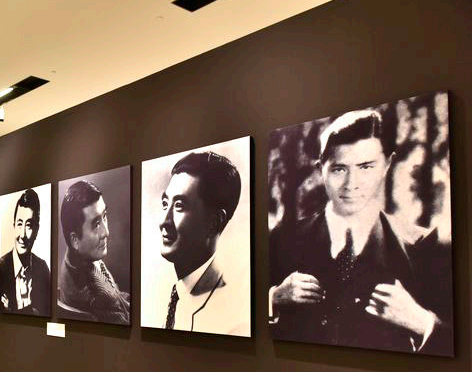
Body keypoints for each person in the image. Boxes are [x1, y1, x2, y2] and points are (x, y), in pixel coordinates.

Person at [268, 109, 452, 355]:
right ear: (321, 169)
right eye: (339, 169)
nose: (351, 184)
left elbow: (460, 346)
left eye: (366, 167)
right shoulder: (281, 240)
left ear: (386, 165)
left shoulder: (426, 246)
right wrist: (273, 298)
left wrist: (421, 321)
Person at [152, 151, 249, 336]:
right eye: (165, 203)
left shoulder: (234, 321)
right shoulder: (170, 296)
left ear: (214, 222)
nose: (164, 221)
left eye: (179, 205)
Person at [58, 180, 130, 324]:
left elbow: (117, 297)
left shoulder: (78, 258)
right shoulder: (96, 295)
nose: (106, 232)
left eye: (105, 216)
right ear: (75, 240)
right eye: (96, 224)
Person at [0, 189, 51, 315]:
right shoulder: (0, 268)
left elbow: (45, 313)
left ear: (36, 230)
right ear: (14, 226)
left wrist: (12, 310)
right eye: (20, 224)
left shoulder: (43, 269)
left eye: (29, 225)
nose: (22, 235)